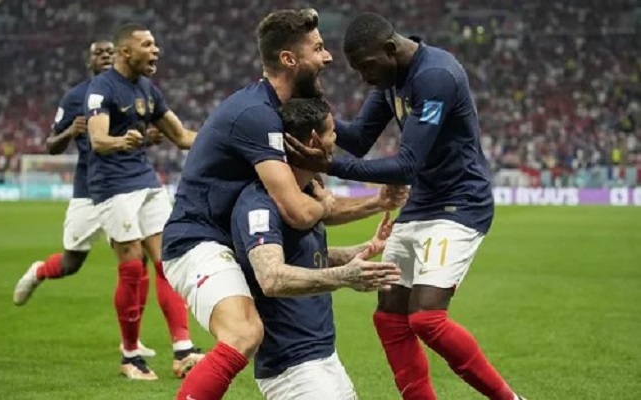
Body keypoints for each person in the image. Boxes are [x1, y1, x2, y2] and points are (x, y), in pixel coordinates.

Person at [161, 9, 407, 400]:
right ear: (289, 59)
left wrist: (373, 205)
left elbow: (305, 213)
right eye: (318, 48)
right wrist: (329, 204)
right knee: (244, 333)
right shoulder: (257, 116)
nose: (328, 57)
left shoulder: (280, 113)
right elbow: (296, 212)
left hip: (230, 238)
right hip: (197, 239)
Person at [284, 12, 526, 400]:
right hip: (423, 204)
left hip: (459, 204)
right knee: (390, 317)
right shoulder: (391, 76)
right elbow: (359, 138)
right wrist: (308, 108)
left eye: (367, 67)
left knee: (427, 318)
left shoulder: (435, 76)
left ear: (390, 49)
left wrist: (328, 165)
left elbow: (407, 165)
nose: (365, 78)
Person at [233, 97, 403, 400]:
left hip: (323, 355)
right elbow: (271, 277)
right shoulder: (260, 203)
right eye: (332, 131)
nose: (336, 138)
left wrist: (368, 248)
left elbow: (311, 258)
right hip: (291, 366)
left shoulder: (307, 195)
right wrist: (344, 277)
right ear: (314, 140)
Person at [12, 40, 156, 356]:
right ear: (88, 62)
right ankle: (39, 271)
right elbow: (51, 145)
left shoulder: (132, 91)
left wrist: (150, 138)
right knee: (71, 263)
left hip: (125, 187)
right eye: (97, 53)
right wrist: (70, 131)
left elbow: (138, 137)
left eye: (109, 52)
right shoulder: (75, 97)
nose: (104, 56)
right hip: (89, 191)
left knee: (138, 261)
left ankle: (132, 340)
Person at [85, 23, 202, 380]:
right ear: (125, 51)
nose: (156, 50)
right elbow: (97, 140)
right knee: (133, 268)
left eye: (155, 44)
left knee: (169, 261)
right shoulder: (101, 87)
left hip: (145, 180)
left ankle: (183, 350)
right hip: (113, 186)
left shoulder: (148, 89)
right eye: (148, 45)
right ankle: (130, 356)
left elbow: (181, 136)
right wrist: (120, 141)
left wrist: (225, 138)